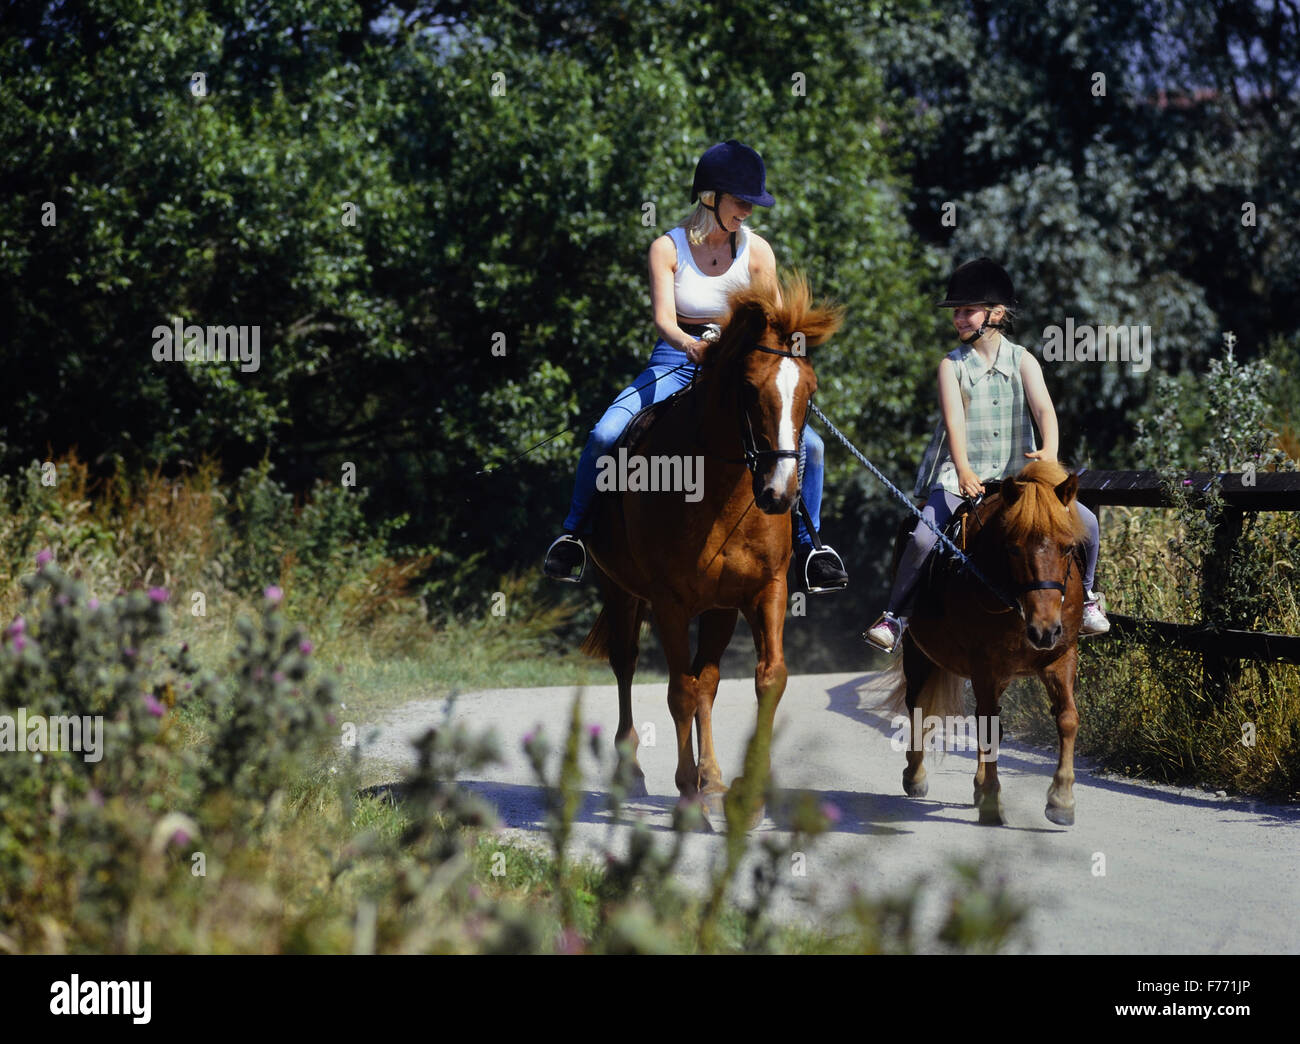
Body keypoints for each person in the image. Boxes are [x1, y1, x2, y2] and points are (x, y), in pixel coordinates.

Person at [543, 139, 848, 592]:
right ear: (711, 197)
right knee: (606, 434)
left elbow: (774, 323)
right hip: (675, 359)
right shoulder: (666, 248)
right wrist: (691, 345)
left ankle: (810, 547)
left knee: (815, 449)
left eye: (751, 203)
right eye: (741, 201)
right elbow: (664, 320)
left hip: (739, 367)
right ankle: (574, 536)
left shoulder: (758, 252)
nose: (747, 211)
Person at [863, 257, 1109, 652]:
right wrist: (961, 469)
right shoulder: (951, 366)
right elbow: (954, 422)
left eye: (967, 311)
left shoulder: (1023, 359)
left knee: (1089, 524)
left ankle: (1091, 597)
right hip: (965, 477)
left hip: (1020, 478)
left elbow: (1045, 410)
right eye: (956, 312)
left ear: (995, 314)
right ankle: (896, 616)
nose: (959, 319)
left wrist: (1050, 451)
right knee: (924, 537)